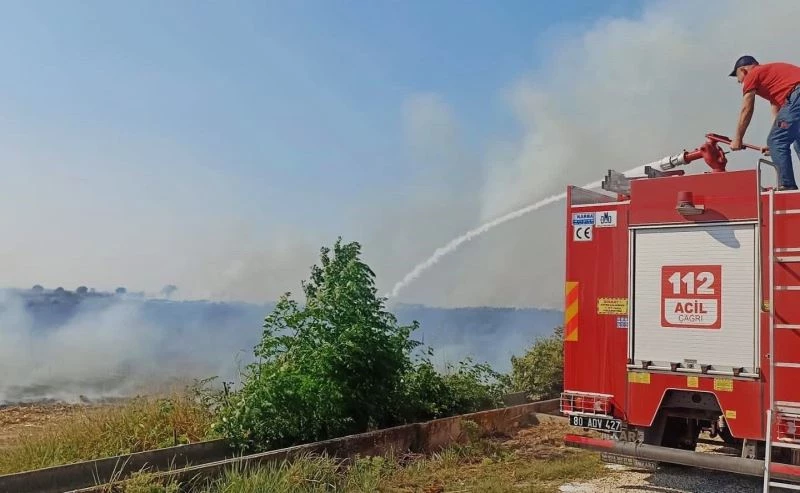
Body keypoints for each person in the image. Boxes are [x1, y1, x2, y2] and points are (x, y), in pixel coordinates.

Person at [730, 55, 800, 190]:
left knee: (777, 140)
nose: (739, 82)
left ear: (743, 70)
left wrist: (738, 138)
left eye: (738, 77)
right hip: (795, 98)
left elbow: (746, 109)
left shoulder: (752, 74)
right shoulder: (773, 80)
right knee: (796, 140)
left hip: (797, 94)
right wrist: (773, 148)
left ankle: (787, 185)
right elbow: (778, 112)